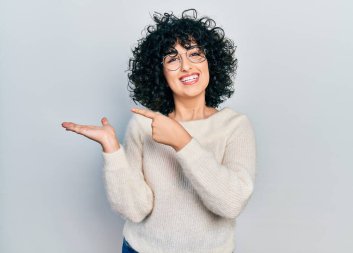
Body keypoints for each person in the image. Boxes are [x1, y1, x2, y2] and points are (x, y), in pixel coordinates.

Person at [61, 9, 256, 253]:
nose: (186, 66)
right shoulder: (144, 125)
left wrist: (183, 143)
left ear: (211, 62)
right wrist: (112, 150)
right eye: (172, 59)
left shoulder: (235, 126)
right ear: (160, 72)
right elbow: (135, 209)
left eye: (195, 54)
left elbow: (231, 203)